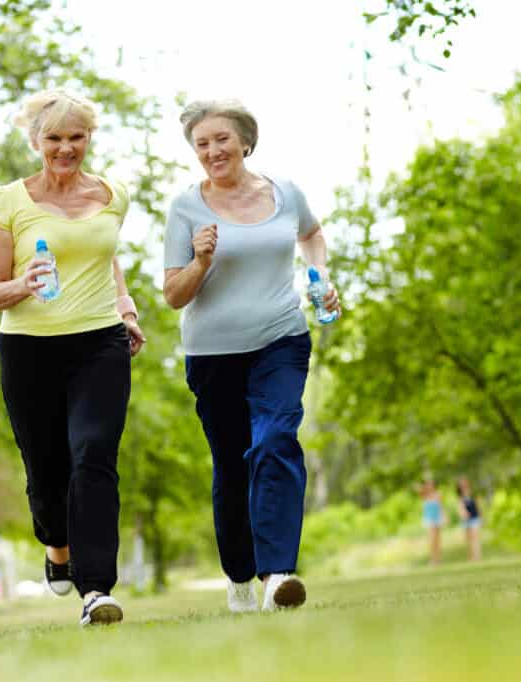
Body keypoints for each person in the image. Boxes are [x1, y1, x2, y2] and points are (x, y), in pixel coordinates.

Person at [162, 99, 341, 613]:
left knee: (276, 440)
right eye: (202, 144)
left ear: (245, 141)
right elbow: (174, 294)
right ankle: (240, 574)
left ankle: (278, 573)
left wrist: (320, 276)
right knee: (231, 466)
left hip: (281, 338)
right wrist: (200, 260)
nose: (213, 151)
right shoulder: (185, 207)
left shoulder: (286, 194)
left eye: (221, 139)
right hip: (212, 352)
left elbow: (312, 234)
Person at [0, 88, 145, 626]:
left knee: (94, 453)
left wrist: (126, 309)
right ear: (35, 141)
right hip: (28, 350)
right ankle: (56, 546)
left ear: (89, 138)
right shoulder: (8, 201)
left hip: (99, 342)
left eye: (76, 137)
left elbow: (104, 256)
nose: (66, 148)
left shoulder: (113, 195)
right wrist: (23, 284)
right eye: (54, 138)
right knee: (46, 470)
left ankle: (96, 589)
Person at [418, 478, 444, 565]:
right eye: (428, 484)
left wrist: (444, 516)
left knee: (437, 540)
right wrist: (423, 487)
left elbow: (440, 506)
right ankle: (432, 559)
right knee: (432, 539)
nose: (430, 486)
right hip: (429, 519)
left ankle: (438, 559)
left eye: (431, 484)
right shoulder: (424, 495)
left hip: (437, 518)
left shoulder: (438, 494)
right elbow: (418, 488)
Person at [456, 477, 482, 561]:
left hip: (475, 518)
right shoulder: (460, 497)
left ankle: (477, 556)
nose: (463, 485)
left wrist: (481, 516)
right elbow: (460, 508)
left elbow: (478, 506)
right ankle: (471, 556)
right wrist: (462, 514)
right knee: (469, 539)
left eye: (464, 483)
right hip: (466, 521)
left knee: (476, 537)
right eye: (461, 484)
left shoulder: (473, 494)